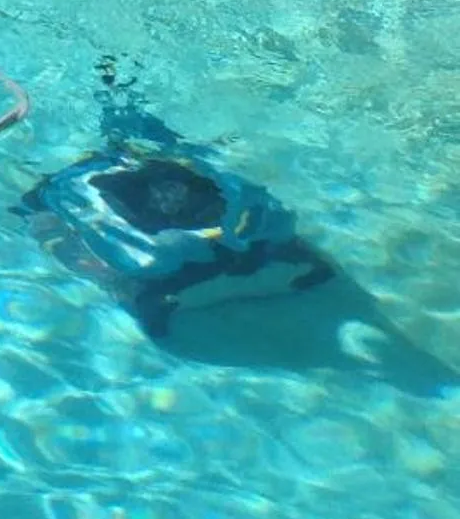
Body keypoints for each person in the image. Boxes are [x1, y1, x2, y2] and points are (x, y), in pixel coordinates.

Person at [18, 61, 333, 339]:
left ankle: (114, 83)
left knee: (128, 136)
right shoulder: (246, 236)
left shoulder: (152, 268)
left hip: (161, 199)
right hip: (174, 195)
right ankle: (115, 82)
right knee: (137, 135)